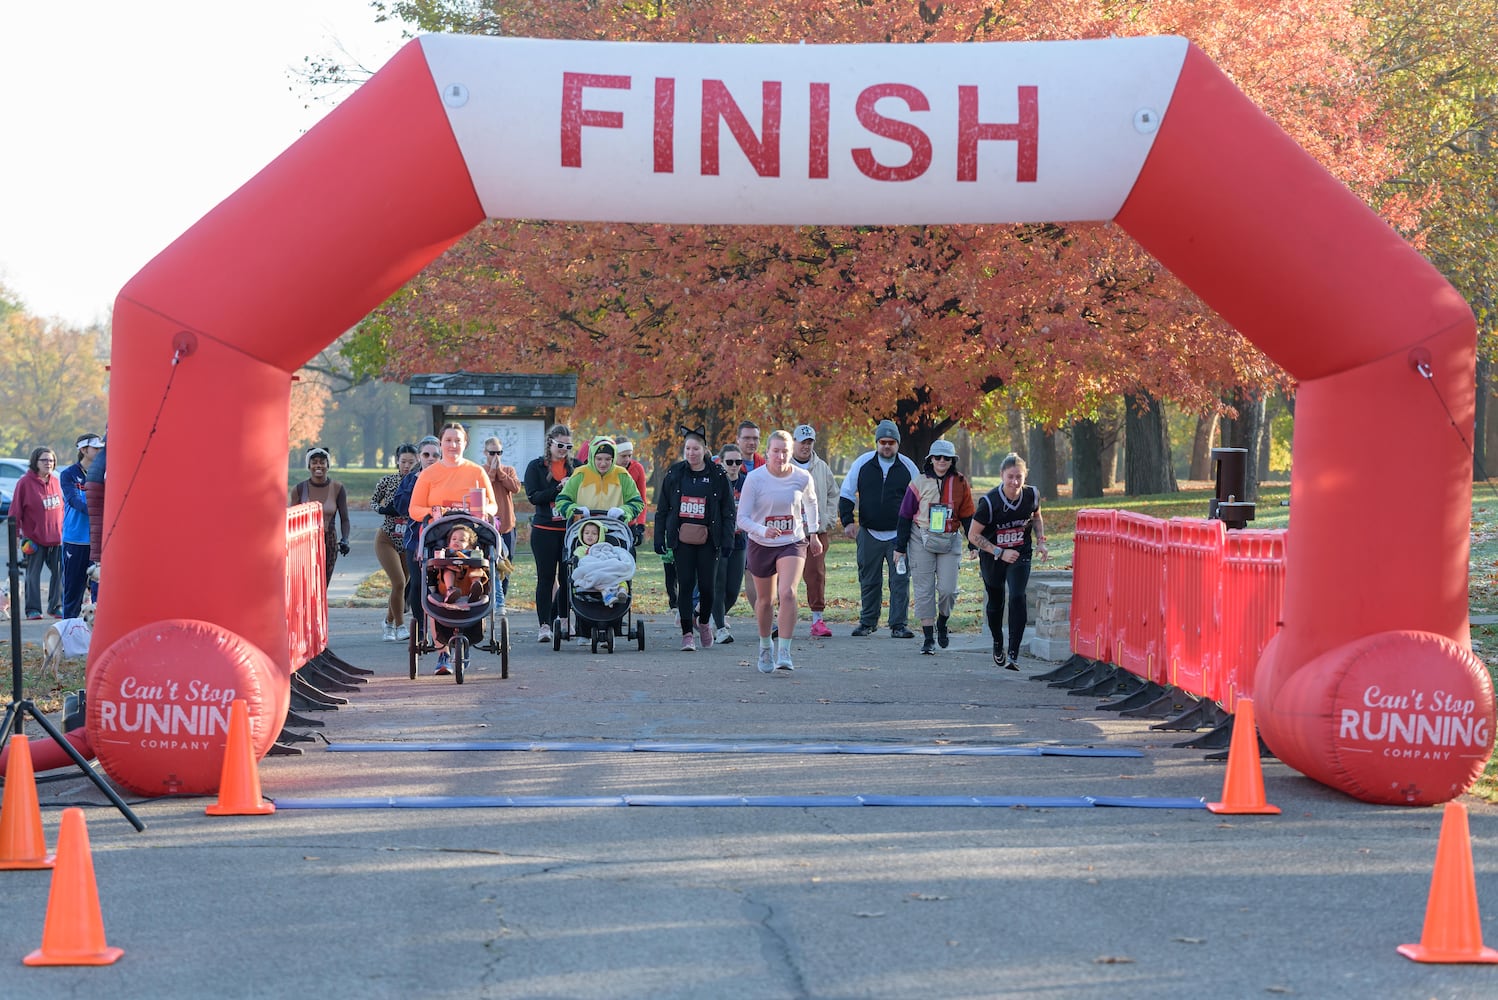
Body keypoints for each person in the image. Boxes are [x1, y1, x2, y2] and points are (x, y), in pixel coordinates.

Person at [408, 423, 499, 674]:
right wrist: (432, 511)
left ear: (465, 443)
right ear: (441, 443)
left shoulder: (476, 471)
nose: (453, 445)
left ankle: (469, 633)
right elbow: (414, 510)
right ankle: (442, 652)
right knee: (435, 584)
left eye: (457, 440)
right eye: (448, 440)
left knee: (474, 574)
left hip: (470, 537)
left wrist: (478, 511)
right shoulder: (429, 474)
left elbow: (493, 506)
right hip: (439, 538)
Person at [736, 429, 822, 673]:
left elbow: (812, 503)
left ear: (791, 452)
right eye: (776, 452)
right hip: (761, 543)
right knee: (765, 601)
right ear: (767, 452)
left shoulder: (802, 477)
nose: (781, 457)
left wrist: (813, 533)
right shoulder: (755, 478)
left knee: (788, 593)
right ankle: (765, 646)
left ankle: (784, 649)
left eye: (785, 452)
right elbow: (741, 518)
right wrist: (763, 530)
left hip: (791, 541)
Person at [655, 427, 736, 652]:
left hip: (709, 540)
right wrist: (660, 537)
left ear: (705, 450)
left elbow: (728, 510)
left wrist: (727, 539)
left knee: (708, 588)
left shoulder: (718, 475)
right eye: (688, 449)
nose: (691, 453)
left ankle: (703, 622)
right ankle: (687, 634)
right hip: (682, 540)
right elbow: (663, 509)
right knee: (686, 585)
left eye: (696, 449)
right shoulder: (675, 474)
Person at [556, 436, 645, 643]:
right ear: (592, 458)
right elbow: (562, 500)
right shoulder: (580, 475)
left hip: (614, 533)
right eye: (599, 459)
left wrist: (623, 511)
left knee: (613, 572)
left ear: (613, 459)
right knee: (586, 572)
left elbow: (636, 502)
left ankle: (614, 621)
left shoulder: (622, 475)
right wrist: (575, 510)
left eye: (607, 459)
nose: (603, 463)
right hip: (586, 532)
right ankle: (584, 628)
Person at [968, 452, 1050, 670]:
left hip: (1020, 553)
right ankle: (998, 642)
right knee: (996, 601)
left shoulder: (1032, 495)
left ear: (1025, 477)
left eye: (1019, 477)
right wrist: (998, 551)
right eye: (1010, 476)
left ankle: (1013, 652)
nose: (1014, 482)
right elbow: (973, 535)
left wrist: (1041, 541)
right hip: (993, 556)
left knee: (1017, 596)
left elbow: (1036, 516)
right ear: (1002, 475)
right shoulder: (989, 501)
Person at [838, 420, 920, 638]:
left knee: (900, 580)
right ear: (876, 443)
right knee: (869, 579)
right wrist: (848, 522)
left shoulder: (908, 467)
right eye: (883, 442)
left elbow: (920, 499)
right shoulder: (862, 464)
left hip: (899, 537)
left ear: (898, 444)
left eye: (891, 442)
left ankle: (898, 625)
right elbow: (846, 493)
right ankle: (868, 622)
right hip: (868, 533)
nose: (886, 446)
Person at [894, 439, 976, 656]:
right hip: (920, 538)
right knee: (924, 589)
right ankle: (928, 637)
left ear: (952, 461)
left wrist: (973, 543)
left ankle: (943, 622)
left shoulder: (960, 482)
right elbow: (904, 516)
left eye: (946, 458)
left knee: (948, 590)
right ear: (930, 460)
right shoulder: (918, 482)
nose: (942, 461)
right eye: (937, 457)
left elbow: (968, 515)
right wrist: (899, 548)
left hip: (949, 538)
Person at [524, 424, 578, 643]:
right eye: (560, 445)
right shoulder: (536, 466)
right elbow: (533, 496)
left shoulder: (576, 467)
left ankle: (563, 619)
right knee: (546, 578)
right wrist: (557, 488)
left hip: (568, 531)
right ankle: (544, 624)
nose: (563, 449)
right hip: (544, 530)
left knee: (568, 578)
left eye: (568, 446)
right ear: (550, 443)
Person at [790, 424, 838, 638]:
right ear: (794, 443)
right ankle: (784, 617)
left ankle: (817, 620)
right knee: (786, 577)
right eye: (802, 442)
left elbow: (832, 495)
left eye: (809, 442)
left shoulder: (822, 468)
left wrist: (826, 520)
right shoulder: (784, 466)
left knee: (816, 575)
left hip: (816, 531)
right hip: (789, 532)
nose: (806, 447)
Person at [396, 436, 441, 641]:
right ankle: (421, 629)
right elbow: (400, 505)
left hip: (443, 540)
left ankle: (443, 627)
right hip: (416, 541)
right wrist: (418, 488)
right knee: (417, 584)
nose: (430, 459)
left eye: (435, 455)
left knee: (440, 584)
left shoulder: (447, 478)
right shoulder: (411, 479)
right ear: (419, 458)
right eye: (426, 455)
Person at [371, 443, 417, 641]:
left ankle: (388, 623)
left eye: (411, 462)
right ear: (397, 461)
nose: (406, 465)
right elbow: (373, 501)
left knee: (402, 584)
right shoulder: (388, 481)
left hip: (407, 539)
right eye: (403, 461)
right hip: (387, 538)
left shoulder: (418, 481)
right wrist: (382, 509)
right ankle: (400, 627)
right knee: (398, 582)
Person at [11, 446, 64, 619]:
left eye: (51, 460)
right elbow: (15, 511)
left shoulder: (56, 481)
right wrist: (16, 536)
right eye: (44, 460)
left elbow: (61, 508)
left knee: (59, 573)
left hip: (56, 537)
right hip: (33, 539)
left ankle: (55, 606)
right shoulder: (24, 483)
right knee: (33, 575)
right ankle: (32, 609)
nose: (48, 463)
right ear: (35, 462)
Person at [290, 446, 350, 586]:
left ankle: (320, 608)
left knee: (322, 584)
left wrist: (345, 539)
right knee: (306, 584)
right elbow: (291, 520)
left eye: (322, 462)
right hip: (304, 542)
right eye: (314, 462)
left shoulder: (337, 488)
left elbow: (345, 519)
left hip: (328, 540)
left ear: (327, 465)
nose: (318, 465)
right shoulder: (299, 489)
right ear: (309, 465)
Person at [59, 433, 103, 618]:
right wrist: (100, 511)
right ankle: (68, 637)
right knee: (73, 592)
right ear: (83, 450)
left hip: (99, 542)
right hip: (75, 540)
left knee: (99, 594)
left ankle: (95, 639)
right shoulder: (68, 474)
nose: (101, 451)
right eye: (96, 448)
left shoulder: (105, 473)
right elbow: (74, 501)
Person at [711, 443, 748, 644]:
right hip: (718, 540)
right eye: (730, 462)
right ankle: (719, 627)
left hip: (739, 539)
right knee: (719, 584)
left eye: (738, 462)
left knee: (733, 590)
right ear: (721, 462)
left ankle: (707, 616)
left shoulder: (747, 483)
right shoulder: (715, 483)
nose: (734, 466)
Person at [482, 436, 522, 597]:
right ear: (485, 453)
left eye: (499, 452)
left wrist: (500, 472)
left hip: (507, 526)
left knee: (506, 562)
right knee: (486, 561)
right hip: (488, 526)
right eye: (492, 453)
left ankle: (502, 597)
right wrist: (492, 472)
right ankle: (488, 595)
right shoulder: (482, 471)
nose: (496, 457)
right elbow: (483, 488)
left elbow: (515, 488)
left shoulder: (509, 470)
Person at [434, 523, 489, 605]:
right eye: (454, 539)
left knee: (476, 567)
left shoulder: (473, 553)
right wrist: (447, 564)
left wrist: (468, 560)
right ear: (449, 543)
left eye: (462, 540)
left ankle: (476, 587)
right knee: (447, 569)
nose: (457, 541)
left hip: (467, 585)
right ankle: (450, 590)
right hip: (447, 586)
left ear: (470, 546)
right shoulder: (445, 553)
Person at [613, 438, 648, 548]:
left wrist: (641, 524)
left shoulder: (637, 468)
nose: (627, 459)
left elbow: (641, 498)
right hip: (609, 522)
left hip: (629, 523)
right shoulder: (606, 468)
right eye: (623, 456)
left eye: (630, 455)